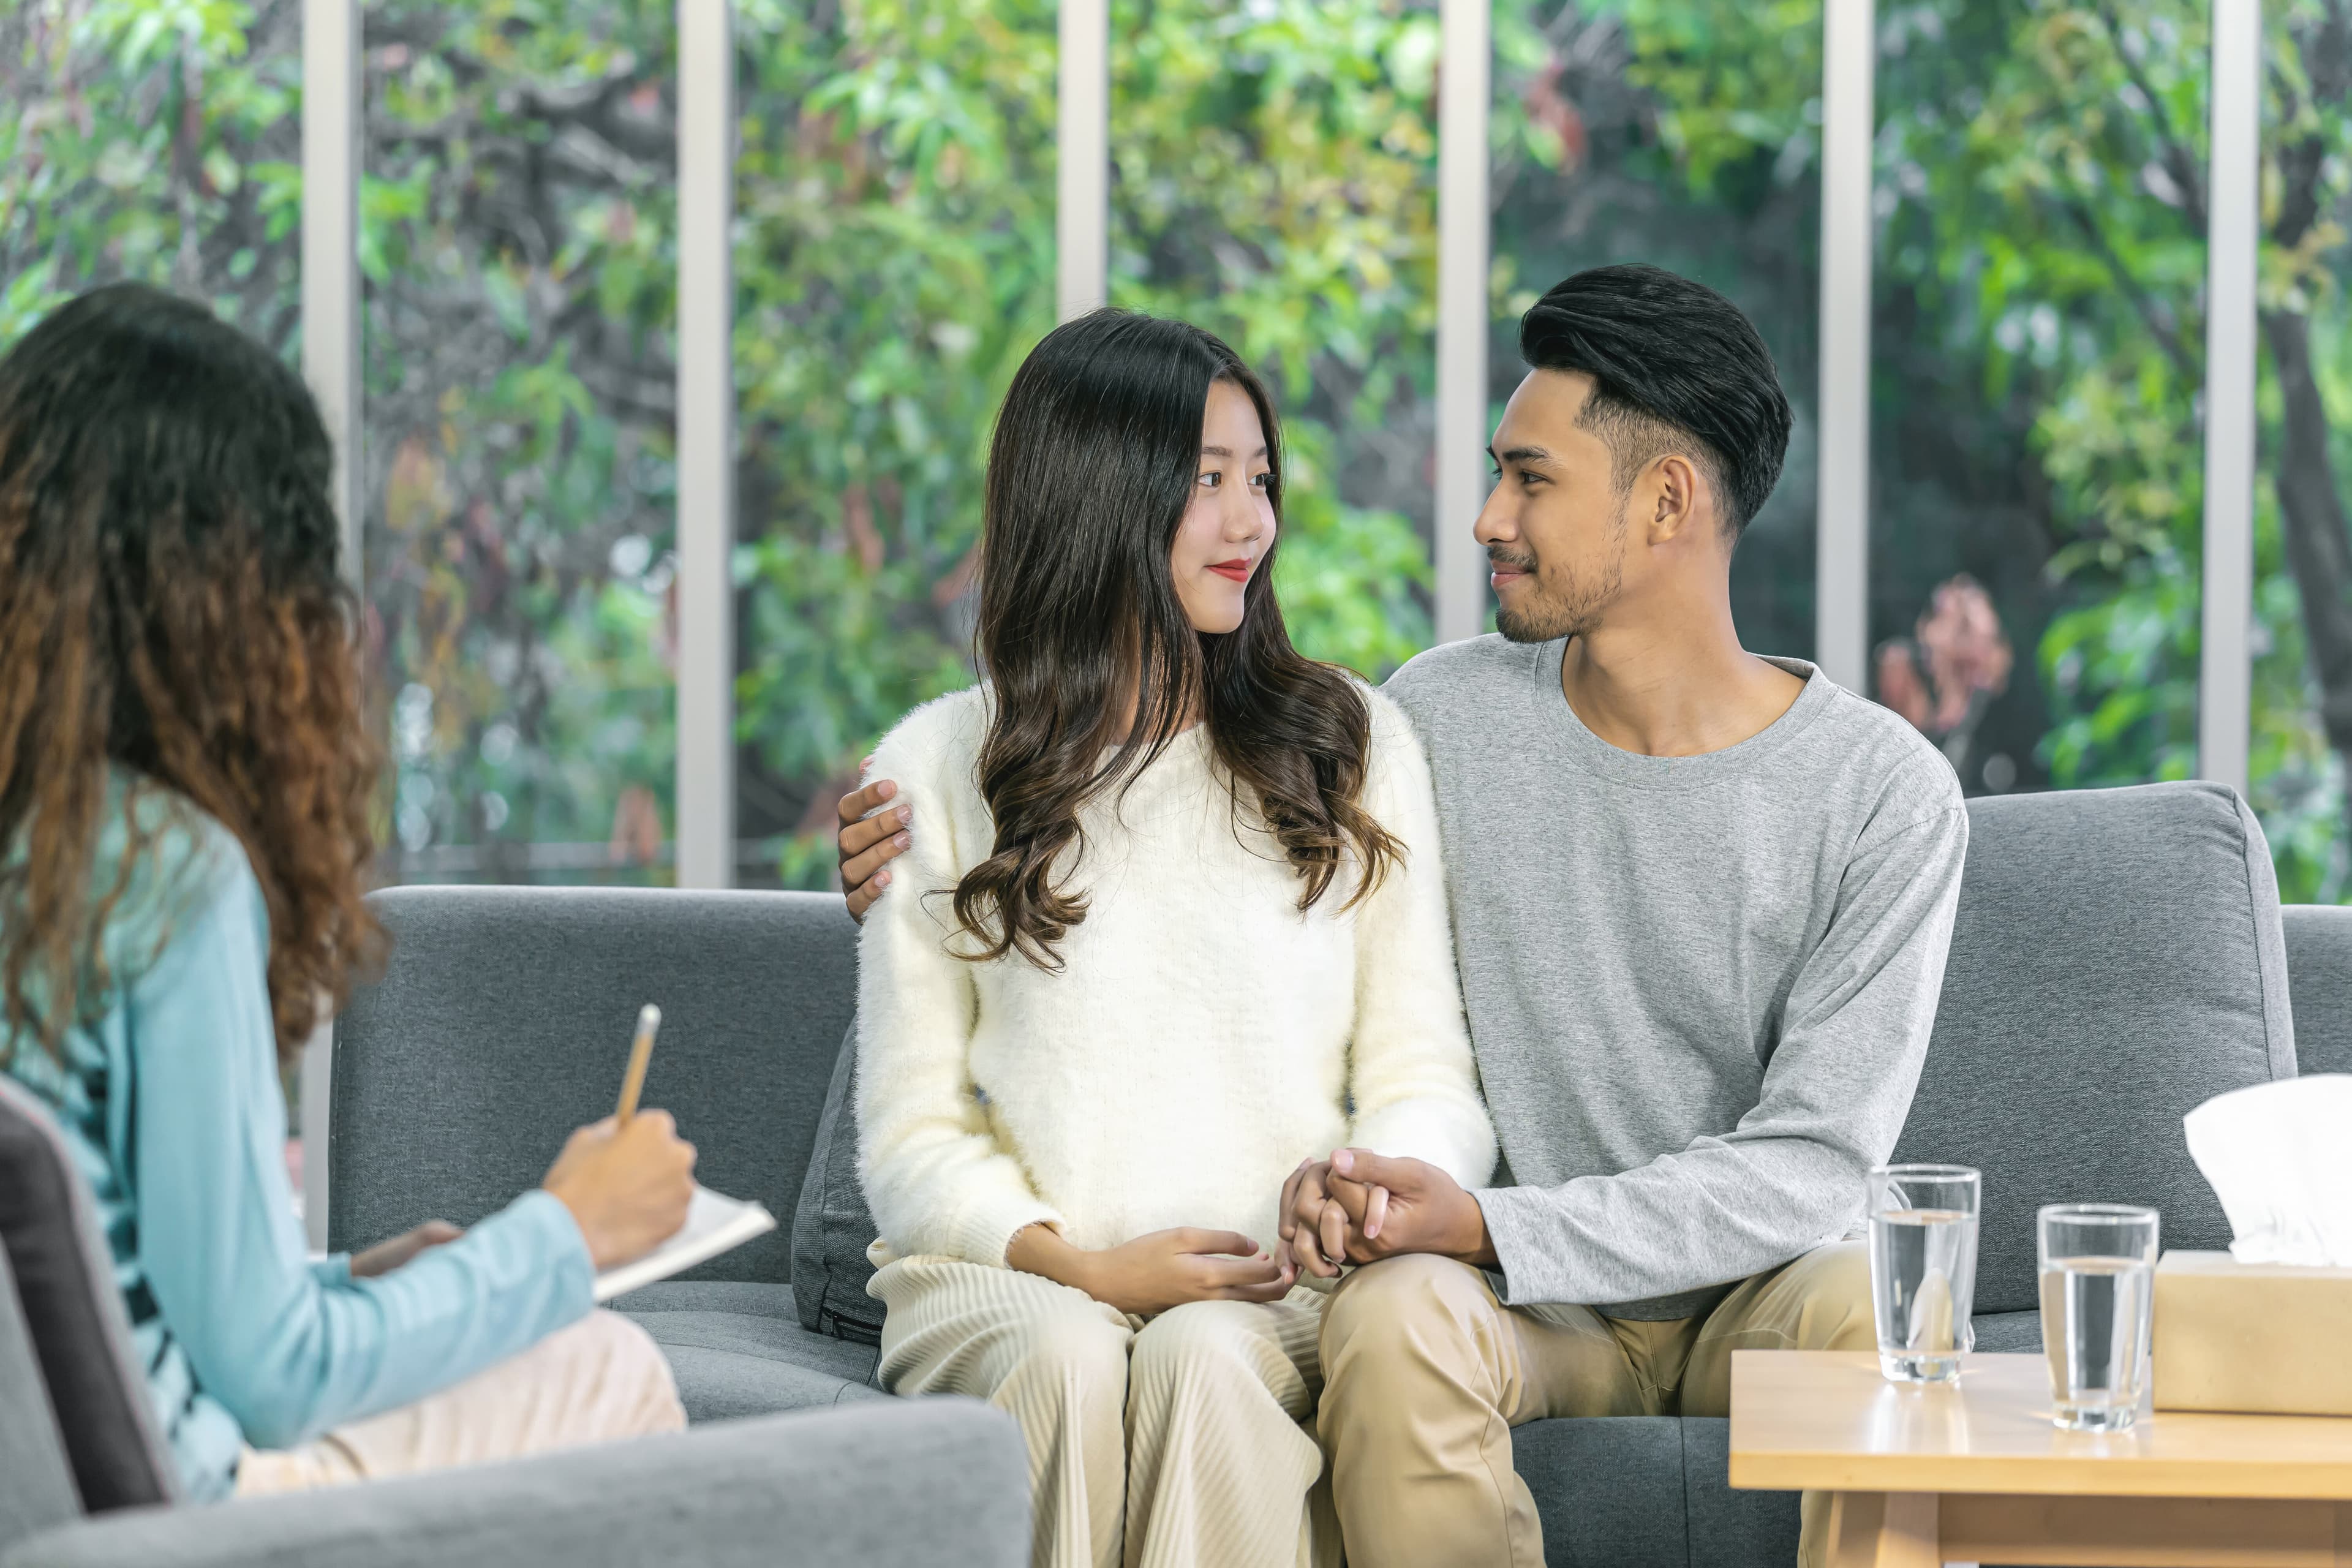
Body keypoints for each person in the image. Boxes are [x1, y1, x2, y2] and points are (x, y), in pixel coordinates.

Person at [837, 265, 1968, 1568]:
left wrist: (1476, 1217)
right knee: (1391, 1315)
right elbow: (1166, 821)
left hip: (1766, 1283)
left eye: (1530, 479)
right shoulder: (1434, 718)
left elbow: (1816, 1163)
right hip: (1525, 1307)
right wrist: (900, 869)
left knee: (1889, 1300)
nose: (1486, 515)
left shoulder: (1885, 794)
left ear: (1666, 500)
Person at [0, 284, 698, 1502]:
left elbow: (142, 1290)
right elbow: (271, 1376)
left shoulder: (42, 845)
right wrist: (566, 1231)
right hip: (179, 1502)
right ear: (230, 583)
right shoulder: (158, 872)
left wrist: (363, 1278)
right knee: (608, 1363)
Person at [849, 308, 1493, 1568]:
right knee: (1067, 1360)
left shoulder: (1356, 745)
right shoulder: (930, 767)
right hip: (1012, 1275)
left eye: (1260, 479)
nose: (1251, 520)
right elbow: (914, 1133)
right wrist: (1082, 1264)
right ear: (1096, 493)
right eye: (1207, 480)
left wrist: (1360, 1198)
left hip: (1271, 1280)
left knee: (1205, 1365)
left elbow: (1426, 1076)